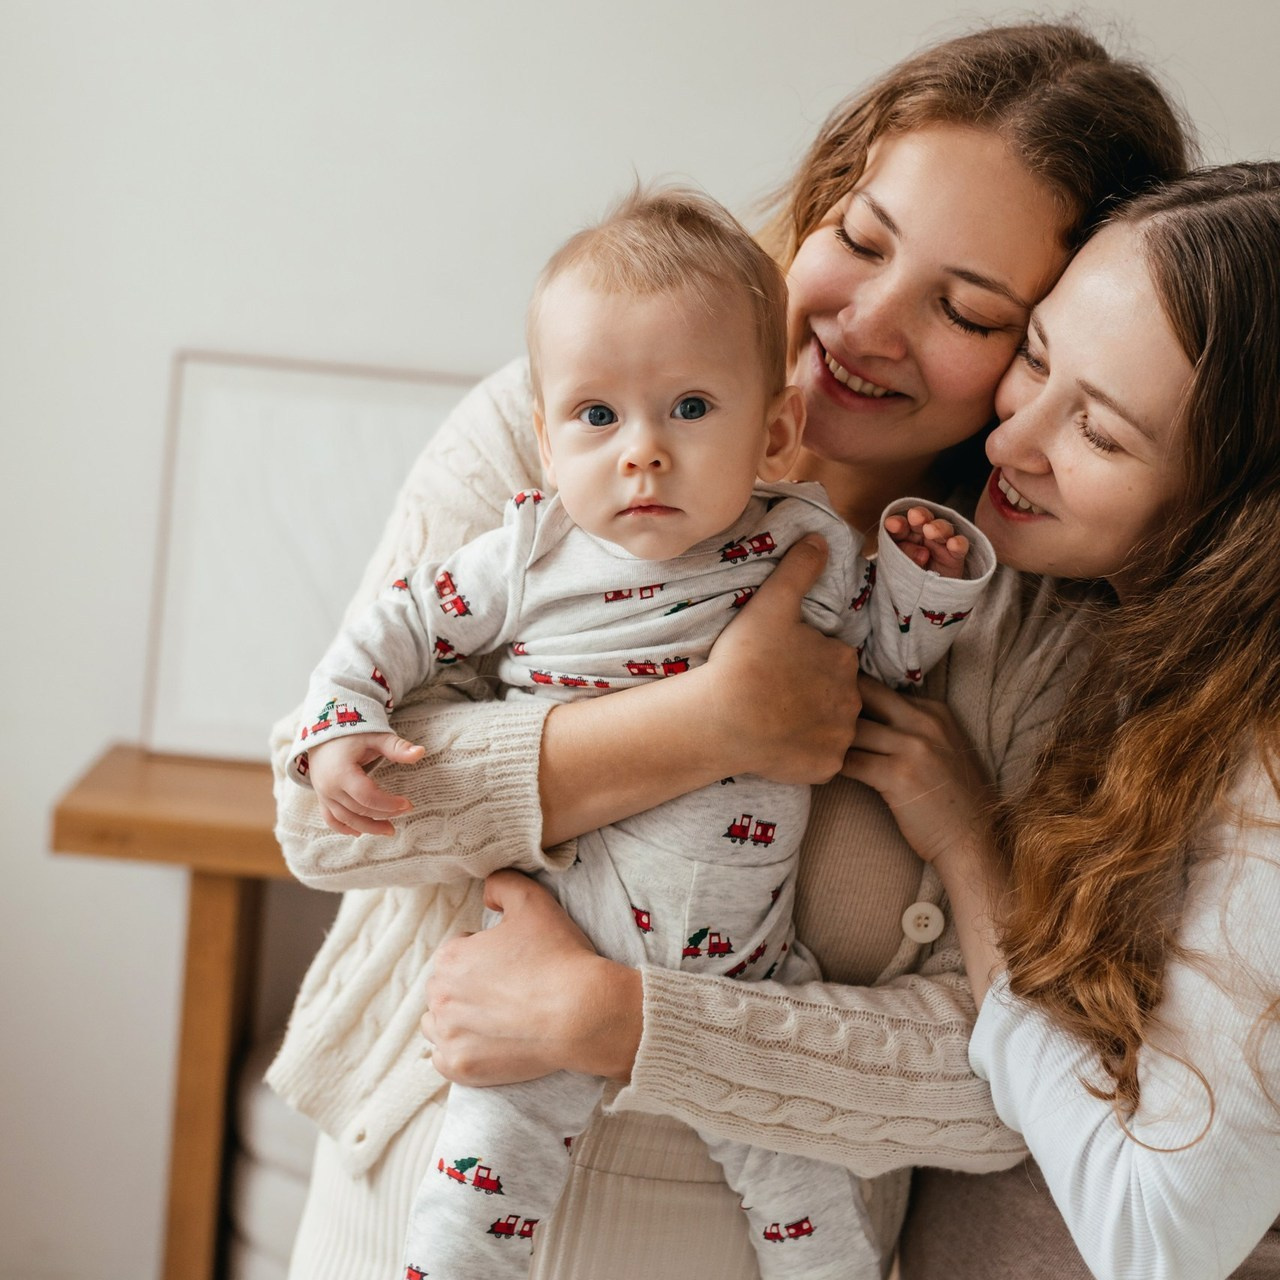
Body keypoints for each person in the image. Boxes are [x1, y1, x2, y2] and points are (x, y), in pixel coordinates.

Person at [265, 22, 1193, 1280]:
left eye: (967, 310)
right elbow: (322, 818)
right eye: (859, 239)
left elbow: (1008, 1085)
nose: (864, 323)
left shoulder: (1036, 621)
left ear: (1048, 353)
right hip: (418, 1212)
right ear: (817, 203)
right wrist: (712, 724)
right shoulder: (563, 434)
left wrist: (623, 1021)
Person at [288, 187, 990, 1280]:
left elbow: (890, 662)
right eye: (597, 418)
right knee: (477, 1190)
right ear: (545, 430)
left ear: (772, 431)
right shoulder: (529, 550)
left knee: (809, 1215)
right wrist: (342, 720)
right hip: (542, 946)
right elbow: (403, 625)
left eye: (691, 411)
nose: (642, 454)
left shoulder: (796, 545)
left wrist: (924, 583)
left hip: (745, 986)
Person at [872, 164, 1280, 1279]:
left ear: (1235, 511)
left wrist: (967, 850)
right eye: (1037, 357)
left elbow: (1156, 1236)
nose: (1013, 442)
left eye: (1098, 433)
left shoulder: (1264, 771)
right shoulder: (1141, 647)